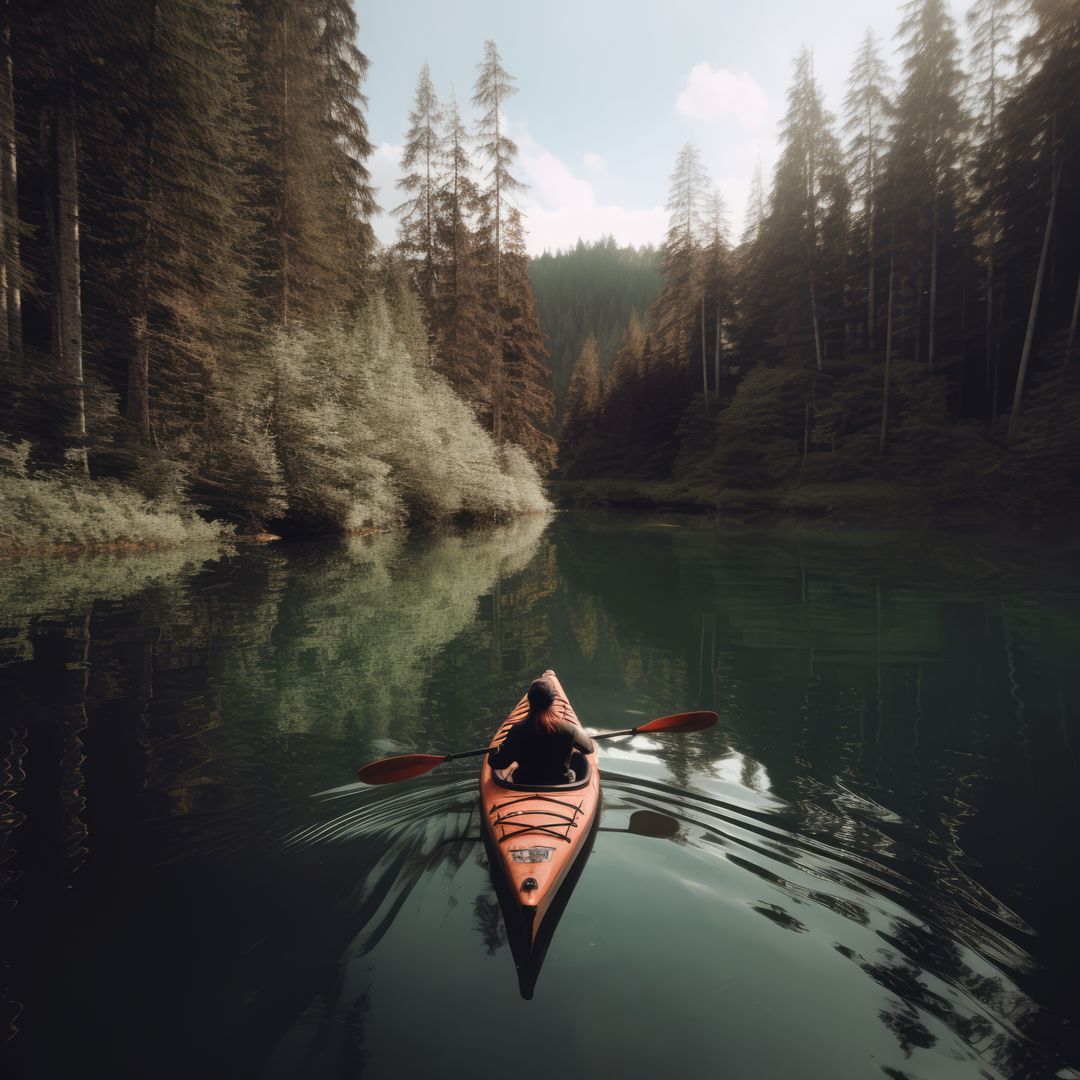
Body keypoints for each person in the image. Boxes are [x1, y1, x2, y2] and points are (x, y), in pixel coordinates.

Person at [488, 673, 595, 785]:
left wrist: (496, 750)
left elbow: (498, 764)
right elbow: (589, 749)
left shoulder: (517, 730)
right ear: (552, 701)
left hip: (525, 782)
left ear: (529, 700)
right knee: (577, 758)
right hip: (561, 782)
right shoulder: (568, 729)